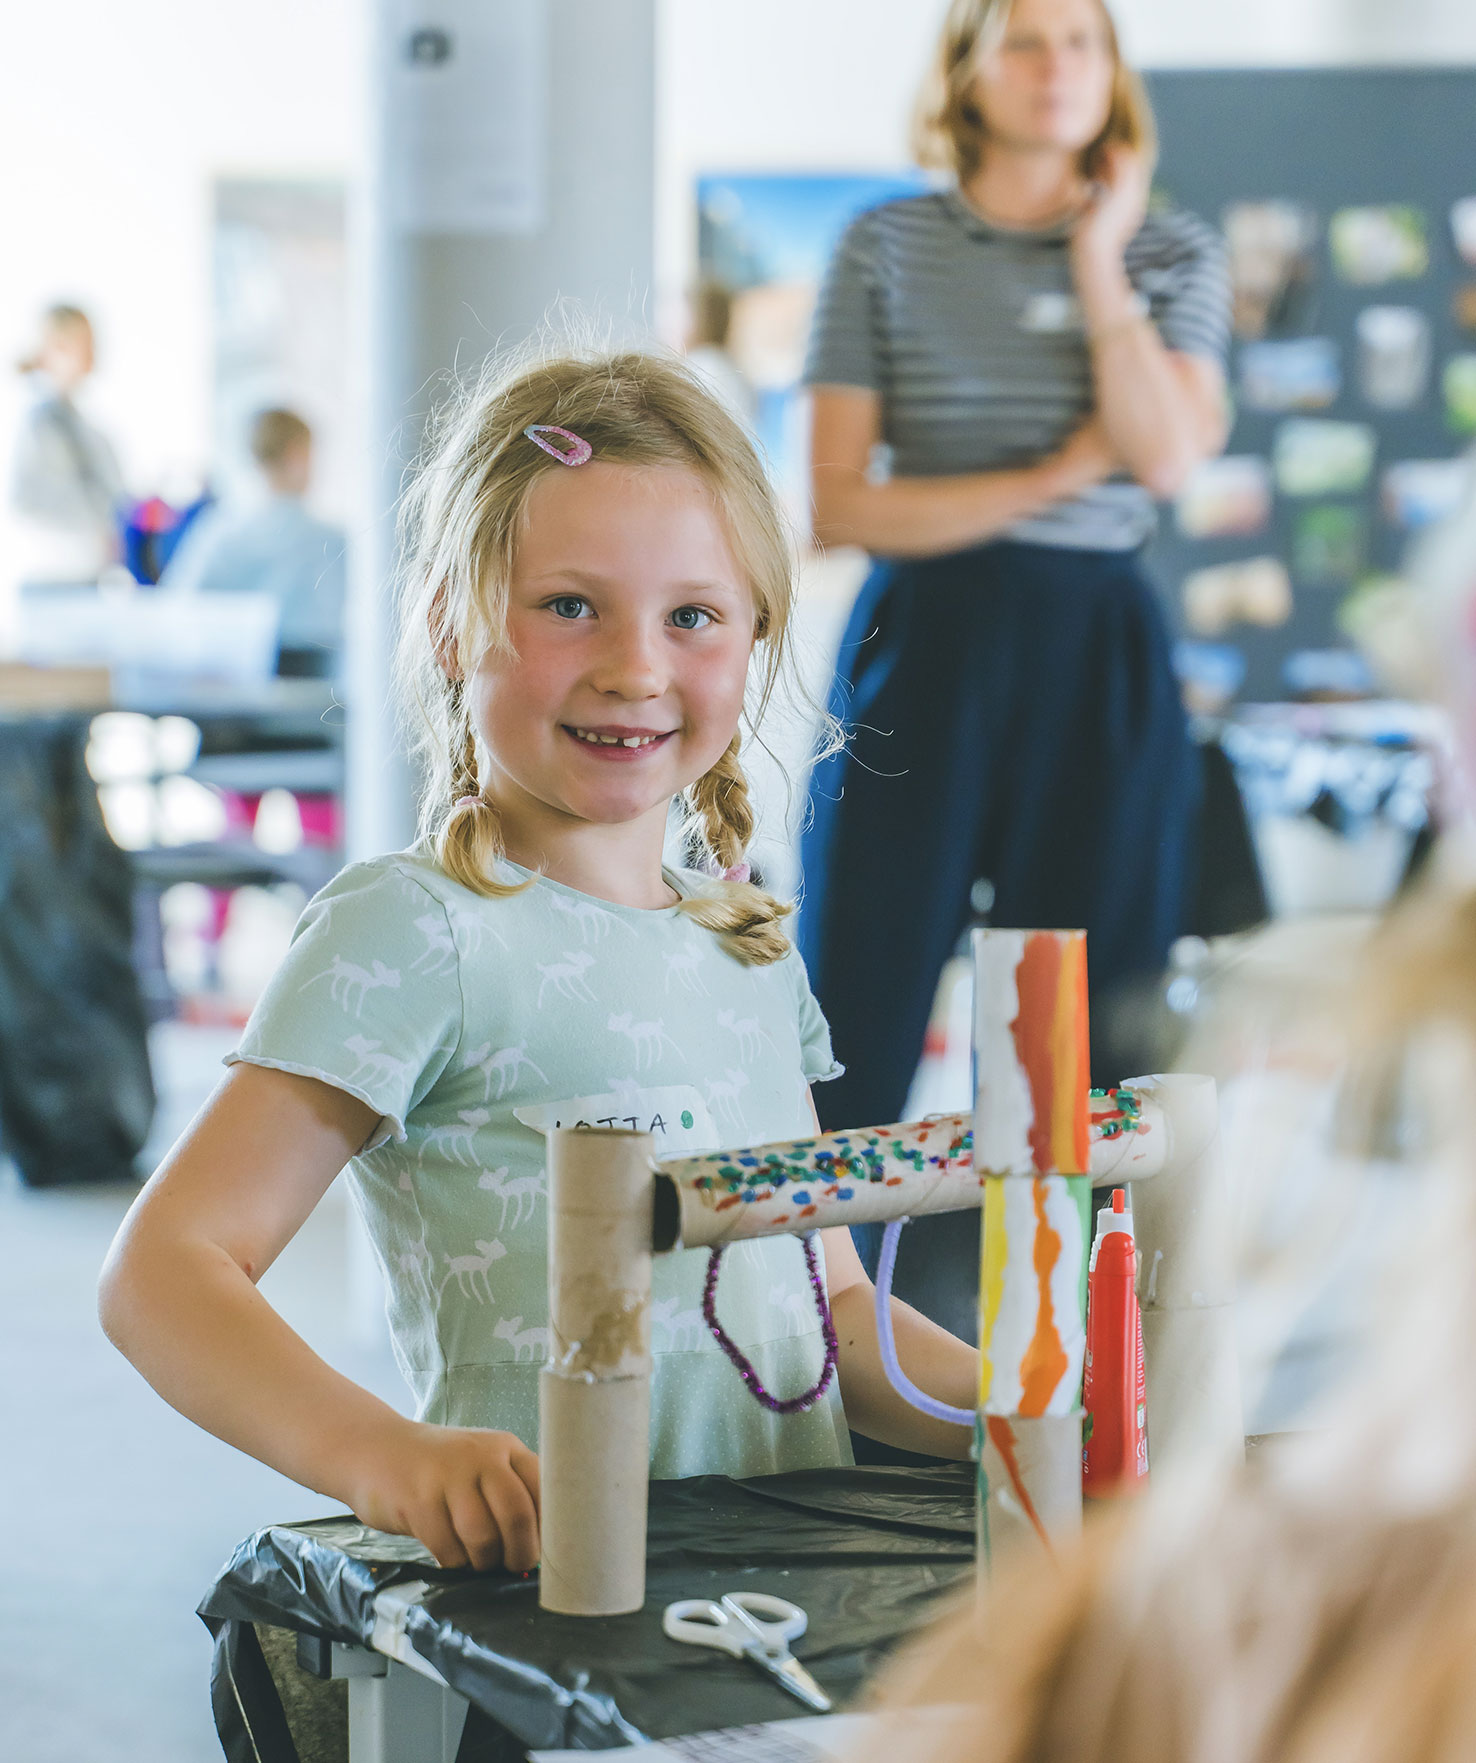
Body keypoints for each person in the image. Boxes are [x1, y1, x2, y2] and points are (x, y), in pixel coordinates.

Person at [97, 345, 979, 1575]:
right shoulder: (414, 927)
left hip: (781, 1596)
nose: (635, 665)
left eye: (692, 615)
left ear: (755, 635)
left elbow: (830, 1316)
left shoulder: (750, 946)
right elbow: (162, 1271)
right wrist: (385, 1457)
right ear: (451, 622)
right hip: (545, 1611)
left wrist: (1032, 1405)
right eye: (570, 605)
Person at [800, 0, 1231, 1129]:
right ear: (968, 70)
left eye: (1083, 41)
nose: (1058, 68)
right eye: (1027, 40)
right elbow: (840, 503)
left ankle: (1046, 1292)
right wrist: (1060, 469)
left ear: (1114, 73)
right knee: (856, 981)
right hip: (922, 634)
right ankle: (816, 1288)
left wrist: (1098, 258)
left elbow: (1169, 455)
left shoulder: (1169, 249)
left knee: (1071, 1033)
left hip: (1098, 647)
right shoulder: (883, 243)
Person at [160, 407, 346, 677]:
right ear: (297, 456)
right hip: (315, 689)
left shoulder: (220, 531)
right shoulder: (330, 539)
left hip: (229, 686)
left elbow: (178, 605)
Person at [9, 303, 126, 586]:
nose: (92, 354)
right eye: (84, 345)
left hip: (89, 577)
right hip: (55, 577)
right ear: (55, 349)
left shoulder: (83, 425)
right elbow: (27, 498)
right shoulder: (40, 422)